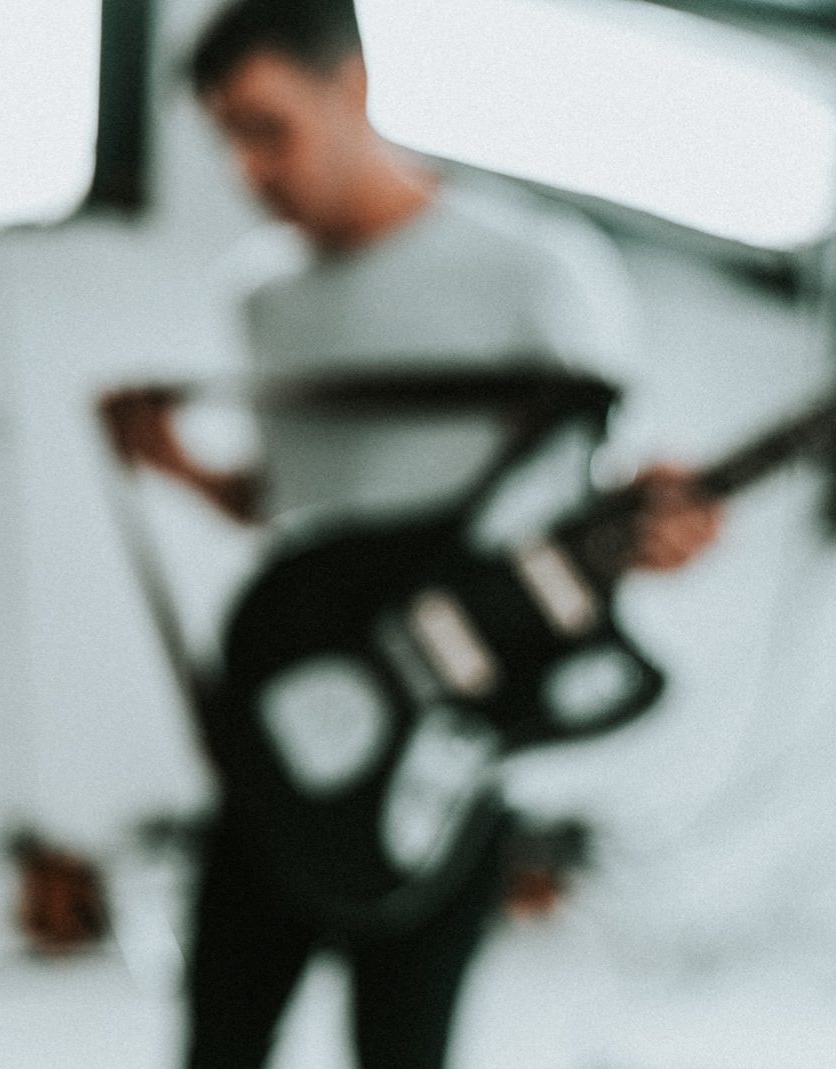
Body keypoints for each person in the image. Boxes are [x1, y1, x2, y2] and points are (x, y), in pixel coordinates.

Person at [102, 1, 723, 1066]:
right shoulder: (262, 297)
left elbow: (605, 490)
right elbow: (290, 500)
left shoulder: (535, 265)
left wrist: (670, 525)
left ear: (350, 87)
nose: (248, 170)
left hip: (446, 735)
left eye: (265, 126)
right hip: (297, 710)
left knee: (401, 1044)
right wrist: (178, 466)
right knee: (218, 1030)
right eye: (225, 139)